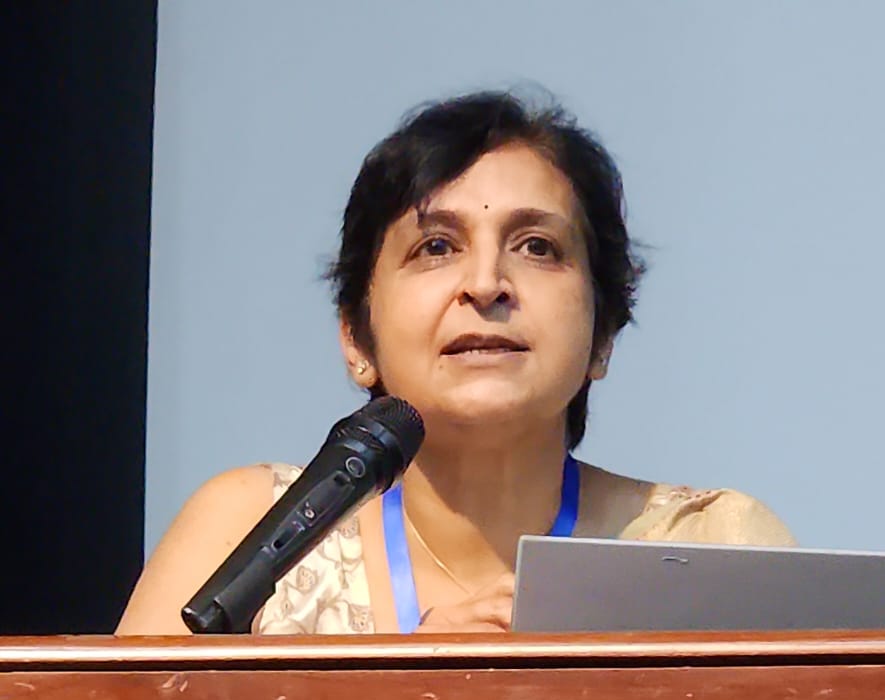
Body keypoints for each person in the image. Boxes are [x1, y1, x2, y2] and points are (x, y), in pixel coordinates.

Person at [117, 91, 793, 637]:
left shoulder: (711, 548)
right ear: (356, 338)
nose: (486, 283)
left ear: (603, 336)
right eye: (436, 247)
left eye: (536, 246)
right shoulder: (247, 533)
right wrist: (406, 694)